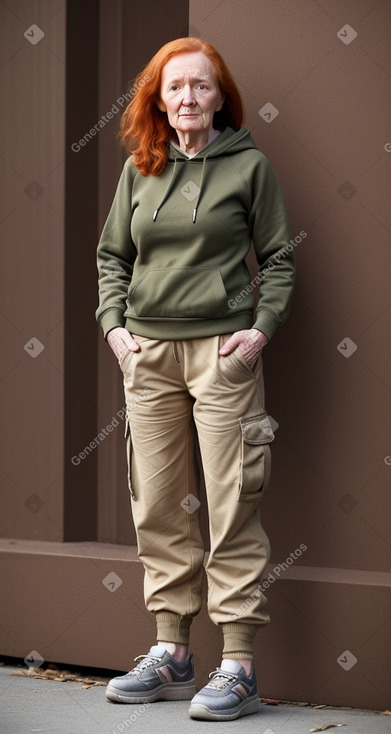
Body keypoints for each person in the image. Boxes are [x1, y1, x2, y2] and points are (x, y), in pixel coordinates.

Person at [96, 36, 295, 721]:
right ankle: (172, 652)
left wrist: (257, 333)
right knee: (157, 504)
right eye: (175, 87)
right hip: (148, 359)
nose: (188, 98)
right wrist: (118, 332)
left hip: (221, 357)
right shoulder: (138, 170)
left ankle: (236, 663)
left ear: (220, 97)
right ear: (156, 97)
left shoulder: (249, 168)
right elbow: (110, 258)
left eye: (201, 87)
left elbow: (278, 259)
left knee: (231, 503)